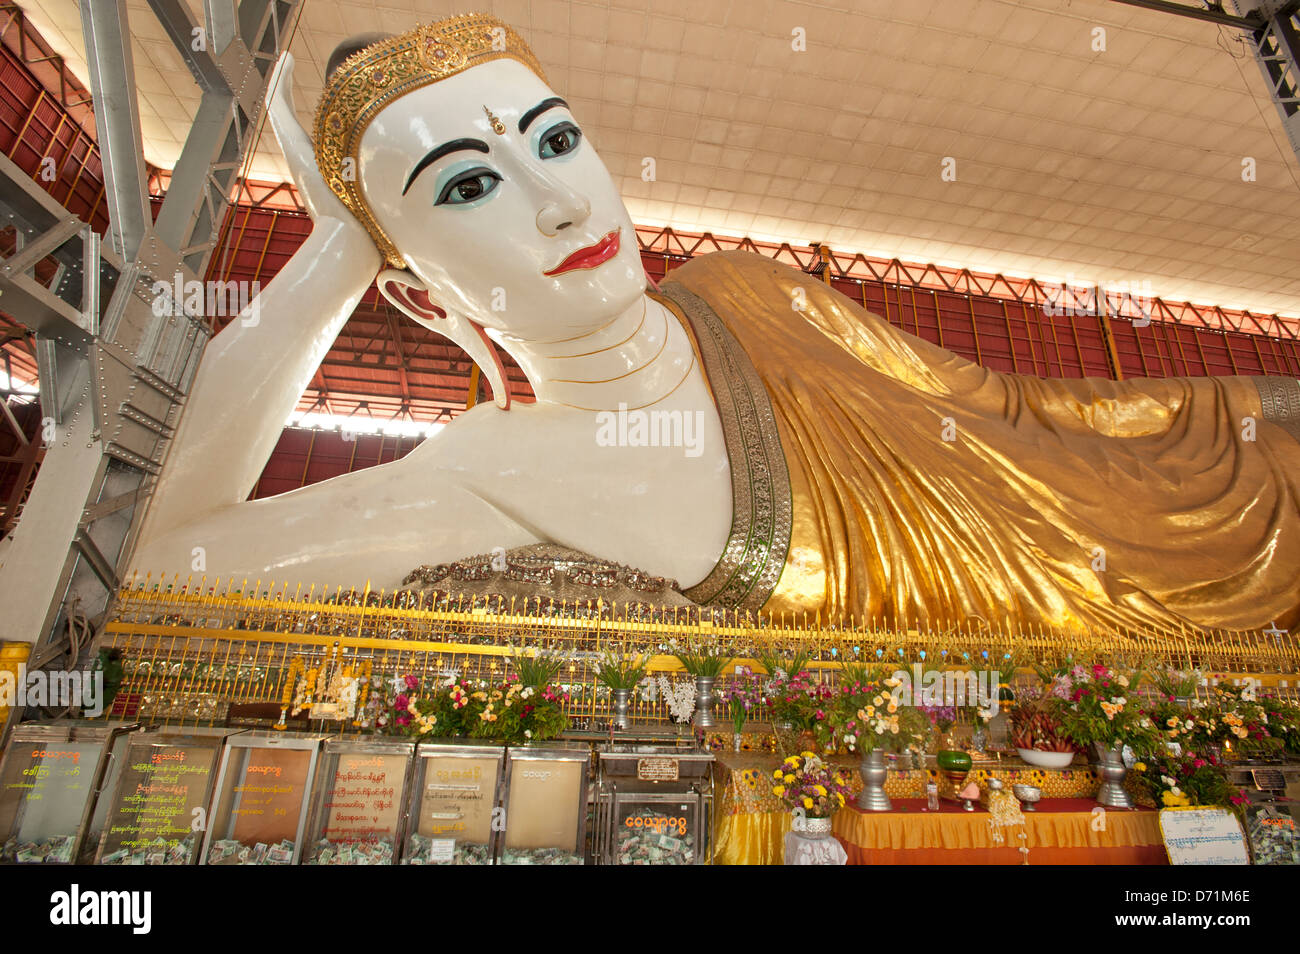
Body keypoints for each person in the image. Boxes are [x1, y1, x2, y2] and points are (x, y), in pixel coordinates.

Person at [130, 14, 1300, 633]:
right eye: (467, 187)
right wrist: (335, 254)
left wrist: (1246, 403)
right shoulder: (482, 472)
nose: (558, 200)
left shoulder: (746, 290)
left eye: (552, 139)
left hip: (1154, 523)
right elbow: (142, 561)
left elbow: (1005, 406)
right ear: (424, 296)